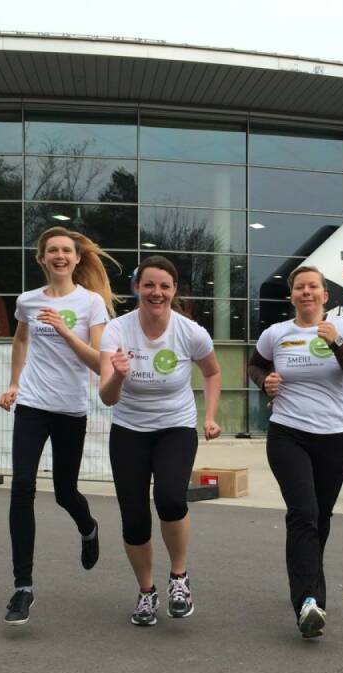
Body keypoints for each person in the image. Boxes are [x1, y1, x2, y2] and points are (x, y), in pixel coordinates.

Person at [0, 226, 116, 626]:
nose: (60, 256)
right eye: (53, 251)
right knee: (22, 489)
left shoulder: (91, 303)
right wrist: (14, 383)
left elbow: (99, 360)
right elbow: (20, 340)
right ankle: (23, 587)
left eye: (67, 250)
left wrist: (65, 331)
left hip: (70, 409)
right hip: (32, 404)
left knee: (65, 492)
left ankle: (88, 526)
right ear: (42, 258)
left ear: (77, 259)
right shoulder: (27, 301)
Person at [249, 265, 343, 639]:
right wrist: (264, 381)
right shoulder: (277, 334)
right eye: (299, 287)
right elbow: (254, 365)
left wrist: (336, 342)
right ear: (292, 296)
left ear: (324, 295)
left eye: (313, 287)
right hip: (288, 433)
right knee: (303, 513)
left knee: (320, 518)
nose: (306, 292)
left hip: (335, 436)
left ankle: (306, 587)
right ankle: (308, 601)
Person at [100, 255, 222, 627]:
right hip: (129, 429)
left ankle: (179, 578)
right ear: (137, 288)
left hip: (175, 427)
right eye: (149, 285)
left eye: (164, 286)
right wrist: (118, 375)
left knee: (169, 498)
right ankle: (146, 592)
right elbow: (107, 397)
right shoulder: (116, 331)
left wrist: (210, 415)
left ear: (174, 291)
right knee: (134, 517)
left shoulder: (191, 332)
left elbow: (213, 373)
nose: (157, 293)